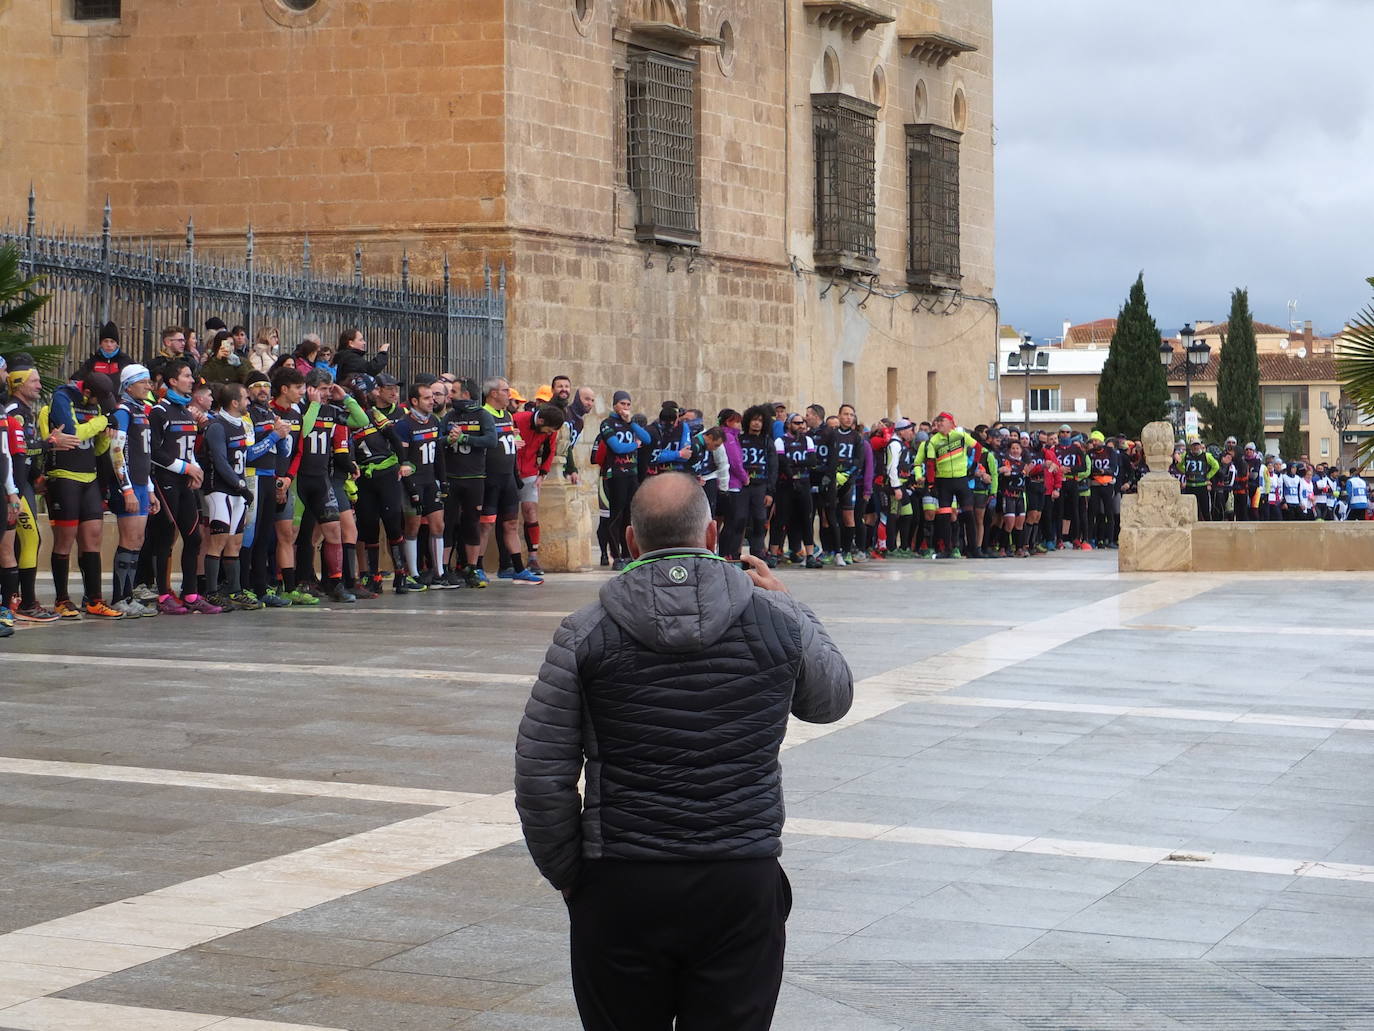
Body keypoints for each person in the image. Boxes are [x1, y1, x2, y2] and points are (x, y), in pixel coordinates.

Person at [514, 472, 853, 1031]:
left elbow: (539, 774)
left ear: (629, 541)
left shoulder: (584, 632)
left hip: (621, 880)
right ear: (713, 532)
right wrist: (793, 606)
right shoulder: (775, 621)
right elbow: (831, 700)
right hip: (740, 877)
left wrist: (572, 877)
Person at [43, 370, 123, 618]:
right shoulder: (63, 397)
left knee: (93, 538)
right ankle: (62, 599)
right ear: (87, 392)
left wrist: (105, 436)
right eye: (97, 399)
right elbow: (75, 435)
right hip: (65, 476)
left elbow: (97, 449)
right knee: (65, 538)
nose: (99, 405)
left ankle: (94, 600)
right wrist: (100, 423)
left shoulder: (97, 405)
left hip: (90, 477)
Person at [148, 360, 220, 615]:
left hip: (185, 482)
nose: (191, 380)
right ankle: (164, 594)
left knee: (194, 537)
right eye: (187, 376)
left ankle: (190, 594)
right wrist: (184, 468)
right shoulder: (159, 411)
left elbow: (189, 448)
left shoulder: (187, 412)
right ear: (172, 381)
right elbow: (154, 452)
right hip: (165, 481)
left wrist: (194, 470)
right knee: (166, 538)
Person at [3, 365, 62, 622]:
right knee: (29, 539)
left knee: (27, 541)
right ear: (19, 384)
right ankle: (25, 602)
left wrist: (36, 475)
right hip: (13, 488)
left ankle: (21, 600)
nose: (39, 385)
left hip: (22, 484)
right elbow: (19, 451)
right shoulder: (14, 412)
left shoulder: (26, 411)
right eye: (35, 381)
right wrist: (48, 443)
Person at [478, 377, 545, 584]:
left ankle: (517, 567)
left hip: (508, 478)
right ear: (493, 394)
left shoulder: (507, 415)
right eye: (506, 390)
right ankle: (476, 567)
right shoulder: (482, 415)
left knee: (511, 523)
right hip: (490, 478)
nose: (509, 394)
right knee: (486, 526)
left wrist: (513, 442)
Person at [108, 364, 159, 616]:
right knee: (128, 540)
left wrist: (149, 489)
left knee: (138, 541)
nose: (149, 387)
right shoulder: (123, 412)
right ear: (129, 385)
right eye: (144, 382)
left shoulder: (142, 411)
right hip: (127, 485)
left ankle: (129, 596)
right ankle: (119, 596)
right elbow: (116, 452)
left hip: (141, 484)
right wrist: (126, 489)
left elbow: (144, 455)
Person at [595, 390, 651, 571]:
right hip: (616, 474)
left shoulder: (630, 424)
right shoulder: (607, 423)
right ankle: (615, 555)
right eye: (622, 404)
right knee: (616, 515)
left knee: (629, 515)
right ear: (615, 405)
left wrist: (631, 424)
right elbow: (617, 447)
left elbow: (647, 439)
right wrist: (634, 445)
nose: (625, 408)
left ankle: (627, 553)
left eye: (628, 404)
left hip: (631, 474)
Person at [513, 403, 567, 578]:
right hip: (510, 471)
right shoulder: (517, 419)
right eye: (549, 430)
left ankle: (533, 558)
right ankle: (509, 560)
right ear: (541, 420)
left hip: (530, 472)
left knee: (530, 511)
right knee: (509, 517)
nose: (550, 433)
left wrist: (543, 473)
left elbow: (550, 451)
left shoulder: (550, 429)